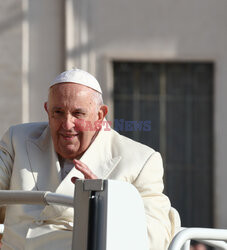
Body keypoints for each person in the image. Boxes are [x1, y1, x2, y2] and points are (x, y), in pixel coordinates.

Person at [0, 68, 180, 250]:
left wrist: (107, 206)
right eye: (58, 112)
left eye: (78, 114)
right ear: (47, 110)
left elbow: (154, 237)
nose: (67, 124)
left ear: (100, 115)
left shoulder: (141, 161)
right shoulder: (18, 139)